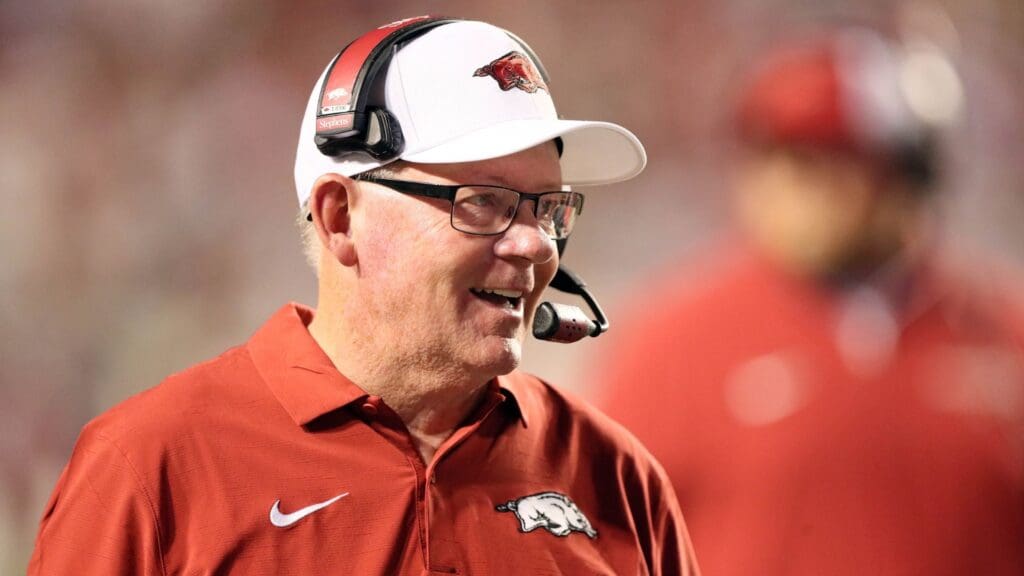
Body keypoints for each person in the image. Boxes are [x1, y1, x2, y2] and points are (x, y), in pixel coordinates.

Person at [28, 17, 699, 575]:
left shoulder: (616, 476)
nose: (534, 244)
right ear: (339, 217)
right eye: (483, 202)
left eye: (548, 208)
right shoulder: (150, 468)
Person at [596, 25, 1024, 576]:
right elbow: (604, 542)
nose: (786, 187)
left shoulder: (1002, 334)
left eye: (822, 161)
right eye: (770, 157)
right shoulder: (672, 339)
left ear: (904, 177)